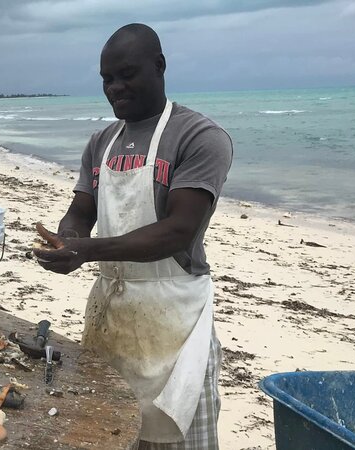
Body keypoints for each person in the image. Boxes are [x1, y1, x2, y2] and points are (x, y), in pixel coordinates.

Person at [33, 23, 233, 449]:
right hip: (112, 317)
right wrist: (66, 240)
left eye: (127, 74)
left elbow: (178, 231)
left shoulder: (199, 137)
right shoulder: (101, 142)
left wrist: (86, 251)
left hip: (175, 322)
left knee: (180, 437)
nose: (115, 87)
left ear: (159, 66)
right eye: (107, 78)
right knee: (108, 435)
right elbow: (80, 212)